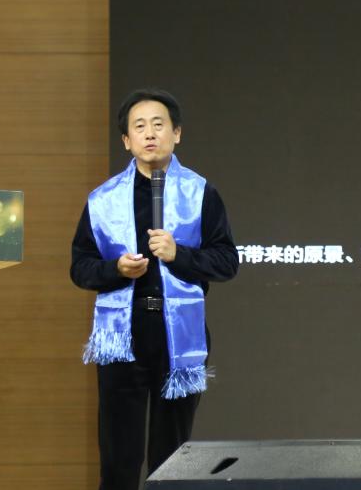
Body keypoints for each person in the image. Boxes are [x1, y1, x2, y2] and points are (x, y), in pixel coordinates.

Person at [71, 88, 239, 490]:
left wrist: (179, 255)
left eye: (159, 125)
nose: (150, 134)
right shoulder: (103, 199)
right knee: (119, 454)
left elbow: (226, 261)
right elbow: (80, 268)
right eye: (140, 126)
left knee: (172, 454)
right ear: (126, 140)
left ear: (176, 133)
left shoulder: (201, 192)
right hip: (122, 335)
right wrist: (116, 270)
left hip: (178, 333)